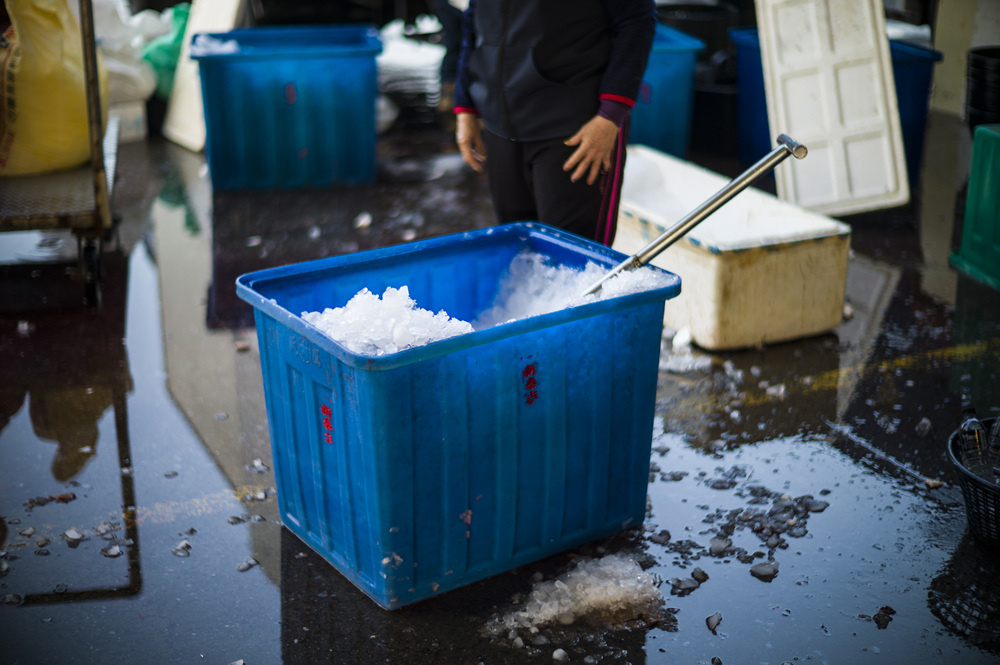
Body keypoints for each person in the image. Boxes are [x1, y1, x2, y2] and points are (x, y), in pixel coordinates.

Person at [452, 0, 656, 246]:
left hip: (575, 129)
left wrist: (610, 116)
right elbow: (474, 17)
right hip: (500, 127)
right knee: (517, 254)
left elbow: (636, 21)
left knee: (574, 259)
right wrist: (465, 107)